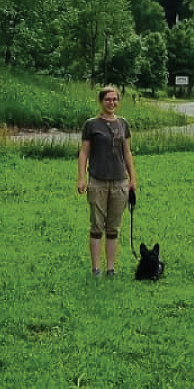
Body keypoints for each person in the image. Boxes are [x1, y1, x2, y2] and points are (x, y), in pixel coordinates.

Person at [77, 85, 138, 277]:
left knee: (113, 227)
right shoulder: (91, 125)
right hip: (97, 181)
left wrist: (132, 178)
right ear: (101, 101)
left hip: (120, 183)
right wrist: (82, 177)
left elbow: (127, 152)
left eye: (115, 99)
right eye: (108, 99)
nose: (112, 103)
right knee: (97, 226)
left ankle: (111, 268)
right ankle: (96, 268)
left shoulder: (123, 124)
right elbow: (84, 152)